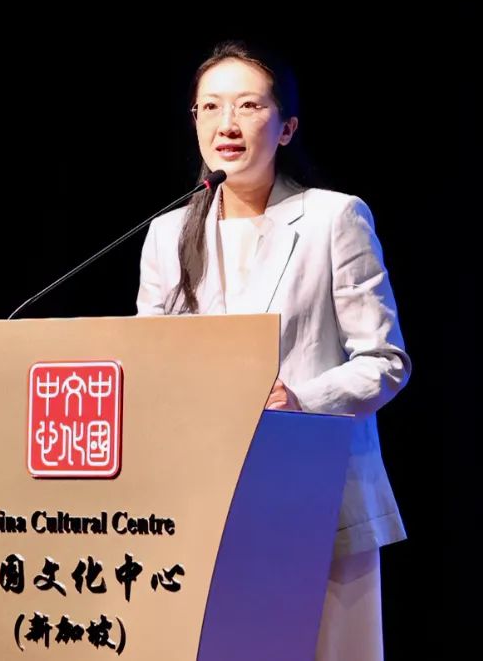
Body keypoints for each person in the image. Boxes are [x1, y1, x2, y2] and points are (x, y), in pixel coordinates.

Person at [135, 40, 412, 661]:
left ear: (286, 127)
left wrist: (300, 400)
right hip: (203, 501)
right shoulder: (166, 233)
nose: (226, 123)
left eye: (248, 105)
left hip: (317, 493)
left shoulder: (333, 218)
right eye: (210, 107)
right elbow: (152, 360)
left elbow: (386, 361)